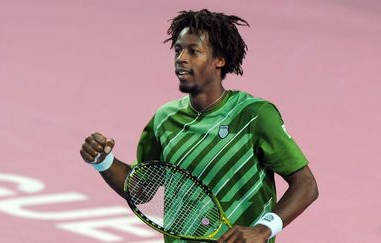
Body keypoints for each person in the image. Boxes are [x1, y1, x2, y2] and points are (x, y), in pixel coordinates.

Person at [80, 9, 318, 243]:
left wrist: (264, 228)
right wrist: (104, 162)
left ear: (219, 60)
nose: (181, 58)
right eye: (178, 50)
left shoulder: (253, 115)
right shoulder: (164, 120)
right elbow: (143, 192)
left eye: (193, 51)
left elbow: (306, 184)